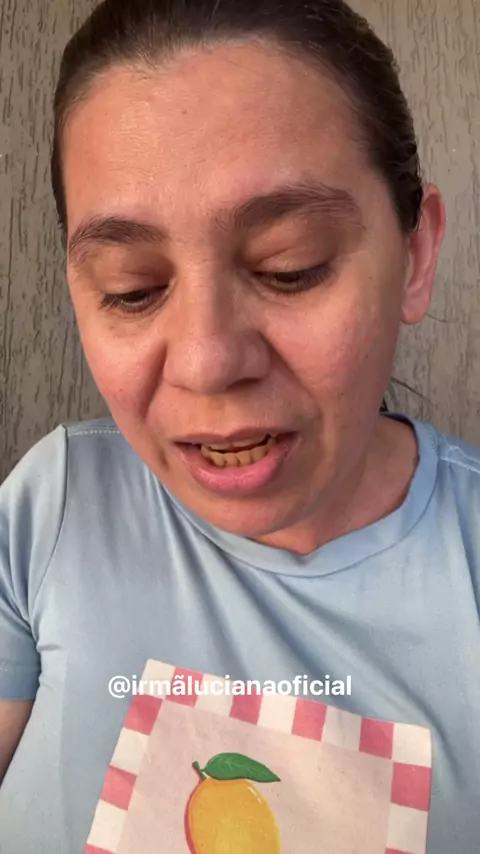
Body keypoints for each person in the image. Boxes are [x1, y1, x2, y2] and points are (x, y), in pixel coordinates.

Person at [0, 0, 479, 851]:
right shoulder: (52, 507)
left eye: (290, 267)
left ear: (415, 255)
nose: (207, 361)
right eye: (132, 288)